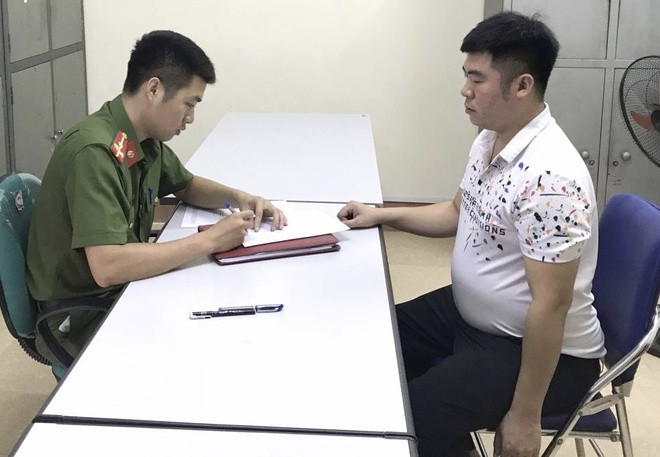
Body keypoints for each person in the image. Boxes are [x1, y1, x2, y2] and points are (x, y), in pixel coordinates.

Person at [338, 12, 604, 457]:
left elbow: (551, 305)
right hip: (472, 316)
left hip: (536, 352)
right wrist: (381, 216)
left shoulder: (551, 181)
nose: (465, 90)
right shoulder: (490, 139)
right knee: (373, 342)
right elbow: (458, 211)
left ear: (522, 86)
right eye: (466, 76)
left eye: (477, 79)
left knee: (415, 415)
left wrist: (525, 415)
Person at [27, 30, 286, 367]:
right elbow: (107, 267)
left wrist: (239, 197)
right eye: (189, 104)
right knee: (203, 348)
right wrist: (210, 240)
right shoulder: (95, 152)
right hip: (77, 314)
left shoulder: (141, 138)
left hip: (115, 290)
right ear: (154, 89)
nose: (190, 118)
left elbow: (187, 185)